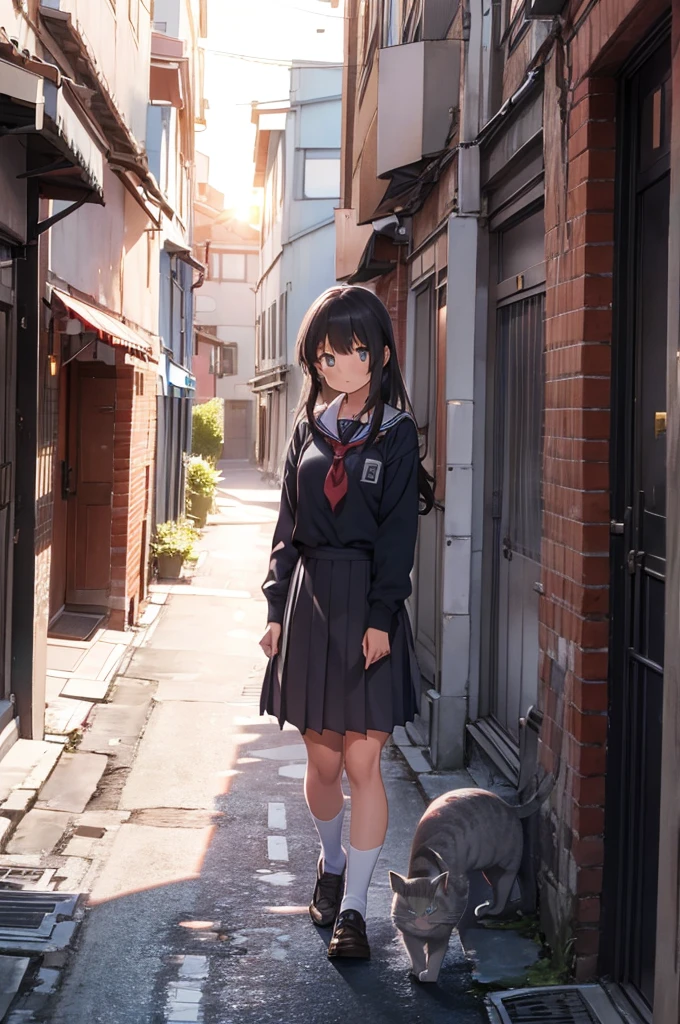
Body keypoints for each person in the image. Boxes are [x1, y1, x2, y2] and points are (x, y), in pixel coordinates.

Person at [258, 285, 433, 960]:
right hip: (309, 602)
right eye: (328, 354)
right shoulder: (308, 426)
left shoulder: (396, 431)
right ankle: (331, 864)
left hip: (367, 603)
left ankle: (354, 912)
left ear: (381, 353)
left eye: (355, 350)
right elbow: (287, 526)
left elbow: (397, 536)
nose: (341, 363)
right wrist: (276, 605)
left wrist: (385, 615)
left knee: (364, 759)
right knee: (321, 759)